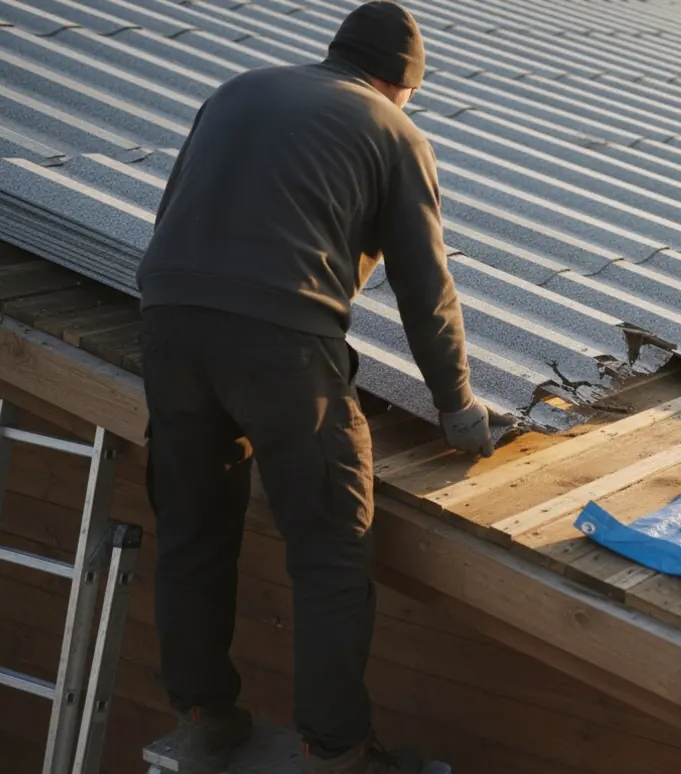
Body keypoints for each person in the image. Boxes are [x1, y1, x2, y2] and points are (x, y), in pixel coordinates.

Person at [134, 2, 504, 772]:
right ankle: (338, 750)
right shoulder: (395, 131)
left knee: (194, 528)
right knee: (333, 542)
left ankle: (205, 719)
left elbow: (174, 214)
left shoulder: (238, 91)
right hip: (279, 342)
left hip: (167, 323)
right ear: (402, 83)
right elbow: (424, 287)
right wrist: (457, 406)